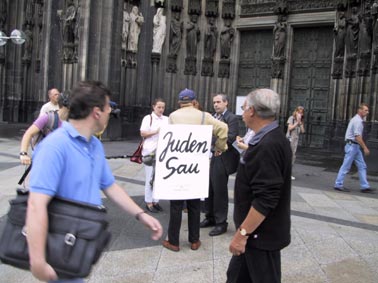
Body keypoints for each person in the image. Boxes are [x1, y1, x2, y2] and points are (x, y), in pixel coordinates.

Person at [25, 81, 163, 282]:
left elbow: (110, 185)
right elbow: (36, 205)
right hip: (59, 247)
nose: (110, 113)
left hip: (82, 243)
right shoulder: (54, 146)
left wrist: (141, 214)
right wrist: (37, 262)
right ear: (96, 112)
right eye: (108, 108)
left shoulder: (95, 145)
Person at [226, 88, 291, 283]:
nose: (243, 112)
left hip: (259, 237)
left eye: (244, 107)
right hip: (258, 236)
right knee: (235, 277)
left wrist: (242, 234)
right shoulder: (272, 138)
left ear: (252, 111)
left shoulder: (268, 145)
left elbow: (266, 198)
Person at [162, 88, 228, 252]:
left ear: (179, 102)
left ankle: (174, 242)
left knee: (176, 205)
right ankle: (194, 241)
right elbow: (224, 129)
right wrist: (220, 147)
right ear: (194, 101)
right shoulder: (204, 116)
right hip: (197, 166)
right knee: (194, 204)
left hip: (177, 166)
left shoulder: (173, 116)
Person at [200, 94, 239, 236]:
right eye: (214, 102)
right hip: (209, 156)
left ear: (226, 103)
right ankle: (209, 217)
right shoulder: (211, 117)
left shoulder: (232, 118)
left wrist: (214, 142)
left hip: (222, 156)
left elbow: (231, 136)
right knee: (208, 189)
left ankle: (221, 223)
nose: (216, 104)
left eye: (218, 102)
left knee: (219, 191)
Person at [334, 103, 375, 193]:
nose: (367, 112)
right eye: (365, 110)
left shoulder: (356, 119)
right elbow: (357, 136)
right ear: (360, 110)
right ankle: (338, 184)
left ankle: (365, 186)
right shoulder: (358, 121)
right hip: (352, 146)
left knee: (362, 166)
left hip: (354, 146)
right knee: (346, 166)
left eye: (368, 110)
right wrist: (365, 148)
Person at [20, 92, 70, 166]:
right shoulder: (48, 117)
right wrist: (23, 154)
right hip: (43, 160)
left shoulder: (73, 123)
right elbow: (28, 133)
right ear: (66, 105)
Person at [140, 98, 168, 213]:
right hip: (150, 152)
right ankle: (149, 201)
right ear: (153, 107)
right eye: (159, 107)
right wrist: (156, 131)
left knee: (159, 178)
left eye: (163, 107)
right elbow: (143, 133)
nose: (161, 109)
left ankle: (156, 201)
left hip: (162, 152)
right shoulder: (148, 118)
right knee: (150, 177)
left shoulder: (166, 119)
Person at [286, 106, 305, 180]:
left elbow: (303, 131)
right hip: (290, 139)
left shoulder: (301, 121)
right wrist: (297, 122)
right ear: (296, 112)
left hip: (295, 140)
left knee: (293, 156)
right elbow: (290, 128)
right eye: (299, 112)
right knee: (289, 156)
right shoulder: (291, 118)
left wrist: (300, 123)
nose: (300, 113)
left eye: (302, 112)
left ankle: (288, 173)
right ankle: (287, 173)